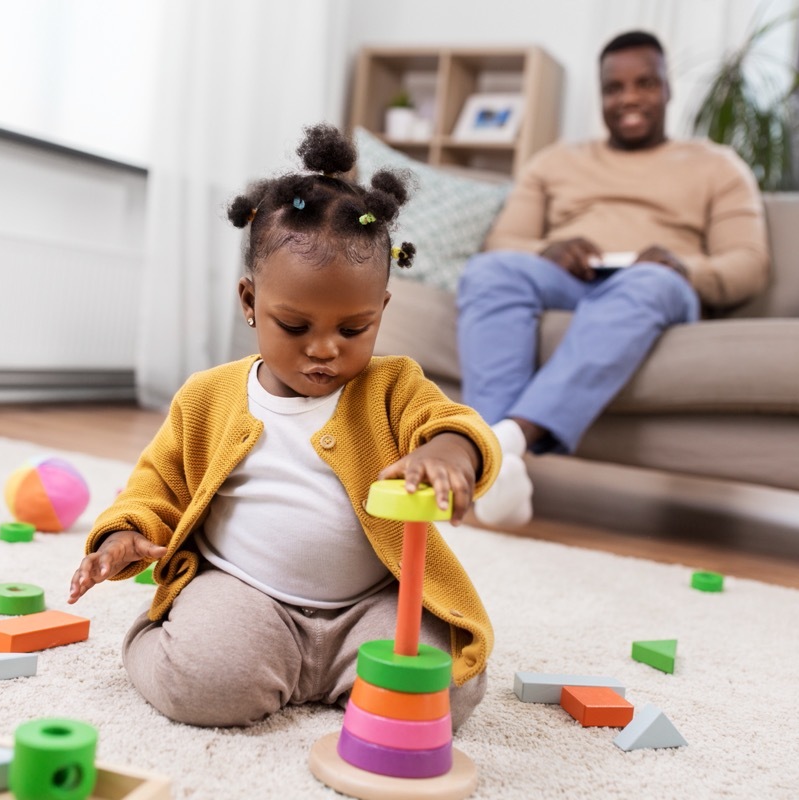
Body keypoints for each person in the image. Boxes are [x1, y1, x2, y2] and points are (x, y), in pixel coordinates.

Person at [68, 124, 500, 730]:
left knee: (441, 695)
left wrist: (452, 453)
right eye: (295, 327)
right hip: (246, 595)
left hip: (369, 606)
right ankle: (160, 644)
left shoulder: (394, 385)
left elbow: (448, 421)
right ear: (249, 302)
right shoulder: (208, 397)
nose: (324, 350)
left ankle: (325, 677)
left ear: (381, 310)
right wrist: (121, 538)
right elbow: (156, 485)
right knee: (207, 683)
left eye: (353, 330)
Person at [457, 30, 770, 528]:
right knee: (489, 271)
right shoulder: (555, 161)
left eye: (645, 83)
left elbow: (748, 264)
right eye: (614, 87)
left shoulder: (718, 166)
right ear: (600, 96)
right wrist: (548, 251)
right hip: (569, 280)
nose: (629, 98)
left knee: (649, 283)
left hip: (657, 285)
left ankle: (498, 445)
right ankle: (501, 473)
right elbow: (502, 244)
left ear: (668, 90)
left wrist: (681, 266)